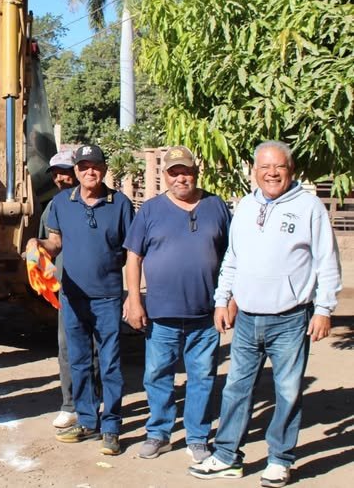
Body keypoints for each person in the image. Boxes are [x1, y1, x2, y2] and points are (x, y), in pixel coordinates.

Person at [189, 141, 341, 488]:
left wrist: (324, 309)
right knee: (236, 390)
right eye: (265, 168)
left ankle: (279, 460)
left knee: (287, 391)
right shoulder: (245, 207)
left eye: (279, 168)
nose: (272, 174)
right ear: (254, 171)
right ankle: (227, 455)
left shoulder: (309, 207)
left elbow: (326, 261)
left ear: (291, 170)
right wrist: (222, 299)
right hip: (246, 319)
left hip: (290, 317)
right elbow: (233, 258)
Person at [122, 146, 231, 463]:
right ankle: (158, 433)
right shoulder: (151, 210)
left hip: (206, 314)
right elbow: (134, 257)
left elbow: (233, 258)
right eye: (174, 172)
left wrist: (230, 300)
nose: (181, 177)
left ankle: (198, 437)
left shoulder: (216, 207)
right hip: (160, 312)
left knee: (202, 377)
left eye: (186, 171)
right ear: (165, 175)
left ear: (196, 172)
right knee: (157, 376)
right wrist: (133, 298)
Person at [26, 143, 134, 455]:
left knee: (110, 362)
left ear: (103, 169)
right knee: (80, 360)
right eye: (84, 166)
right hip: (73, 297)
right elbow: (56, 242)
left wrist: (129, 293)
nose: (90, 171)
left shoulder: (120, 203)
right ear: (76, 171)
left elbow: (132, 253)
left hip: (107, 297)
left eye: (95, 166)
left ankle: (111, 425)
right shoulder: (63, 202)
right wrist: (38, 244)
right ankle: (87, 420)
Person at [38, 150, 79, 430]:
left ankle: (97, 401)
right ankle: (71, 405)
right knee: (67, 348)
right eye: (55, 174)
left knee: (101, 350)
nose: (61, 178)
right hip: (68, 289)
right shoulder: (54, 206)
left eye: (65, 171)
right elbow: (50, 244)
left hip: (101, 290)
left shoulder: (112, 203)